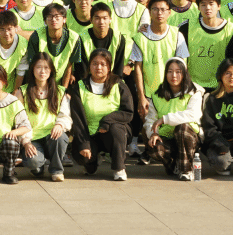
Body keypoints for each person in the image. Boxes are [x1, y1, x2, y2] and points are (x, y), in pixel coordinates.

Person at [70, 50, 134, 181]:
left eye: (103, 64)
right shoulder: (80, 87)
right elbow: (78, 119)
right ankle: (92, 162)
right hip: (89, 133)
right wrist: (84, 144)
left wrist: (107, 120)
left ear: (109, 67)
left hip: (112, 132)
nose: (98, 67)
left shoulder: (119, 84)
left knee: (117, 129)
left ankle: (119, 167)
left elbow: (128, 113)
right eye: (95, 64)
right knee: (81, 155)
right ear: (89, 66)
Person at [145, 58, 203, 180]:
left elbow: (192, 114)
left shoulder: (194, 91)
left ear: (184, 73)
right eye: (170, 71)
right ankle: (174, 165)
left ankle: (186, 170)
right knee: (154, 147)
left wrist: (164, 119)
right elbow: (150, 120)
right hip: (167, 137)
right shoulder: (157, 95)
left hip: (188, 137)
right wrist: (153, 133)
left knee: (182, 128)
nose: (174, 76)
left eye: (178, 72)